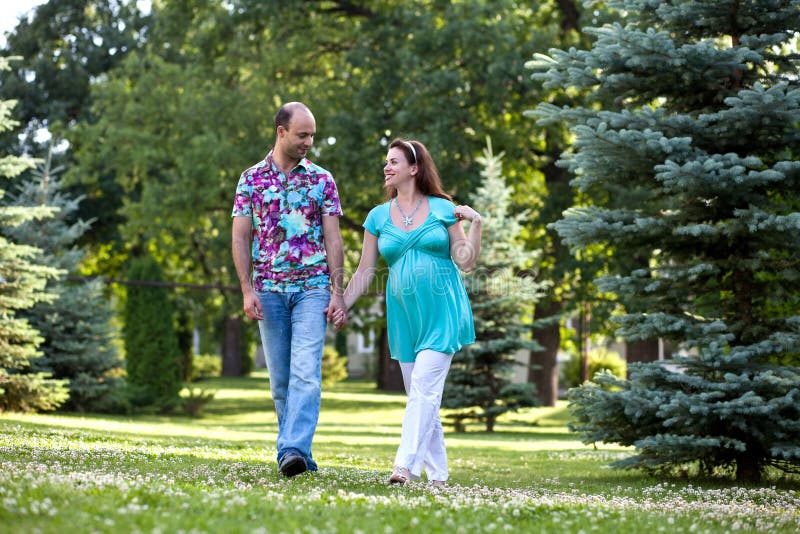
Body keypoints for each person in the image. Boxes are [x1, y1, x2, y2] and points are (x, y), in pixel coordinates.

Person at [339, 138, 481, 486]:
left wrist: (475, 223)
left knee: (423, 388)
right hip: (404, 316)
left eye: (394, 162)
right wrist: (340, 304)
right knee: (421, 395)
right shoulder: (376, 217)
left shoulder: (443, 209)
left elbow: (465, 261)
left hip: (442, 309)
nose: (387, 167)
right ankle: (439, 477)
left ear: (414, 168)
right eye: (386, 162)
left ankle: (403, 467)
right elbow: (364, 271)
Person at [231, 102, 346, 478]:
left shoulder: (322, 180)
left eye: (312, 135)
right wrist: (247, 290)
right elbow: (241, 235)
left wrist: (337, 291)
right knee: (281, 379)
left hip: (313, 287)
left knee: (305, 372)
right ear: (281, 132)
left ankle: (292, 449)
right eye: (302, 135)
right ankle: (297, 457)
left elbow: (333, 237)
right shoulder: (250, 179)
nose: (309, 142)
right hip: (269, 289)